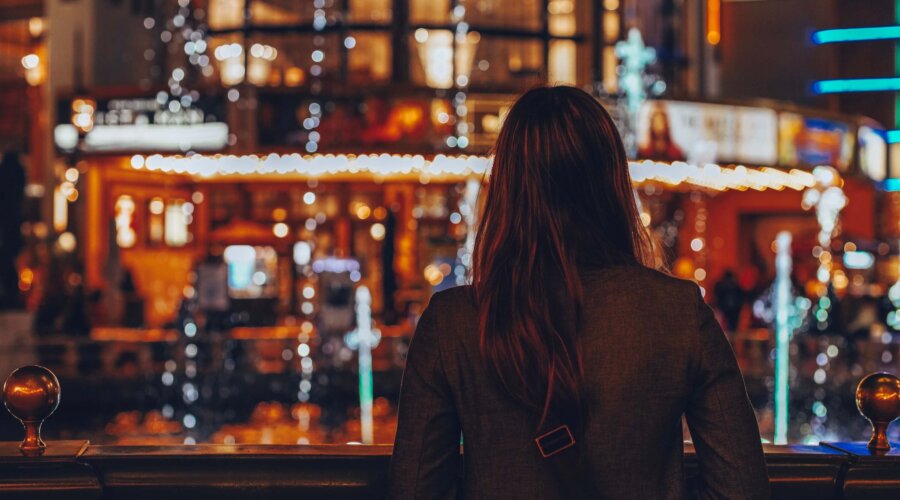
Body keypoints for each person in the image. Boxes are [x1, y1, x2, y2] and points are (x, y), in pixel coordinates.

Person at [389, 86, 769, 499]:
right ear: (612, 185)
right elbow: (741, 485)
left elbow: (414, 488)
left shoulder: (453, 322)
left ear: (507, 189)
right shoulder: (676, 312)